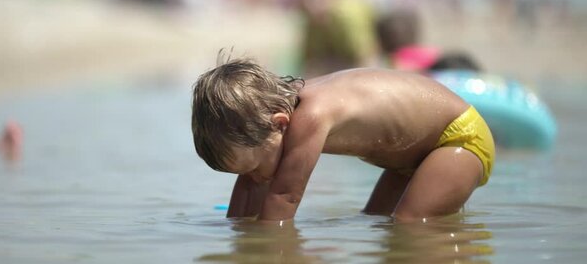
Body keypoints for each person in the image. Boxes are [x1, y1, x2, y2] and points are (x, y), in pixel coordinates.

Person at [191, 55, 495, 222]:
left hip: (457, 139)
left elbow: (284, 198)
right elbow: (253, 185)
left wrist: (263, 252)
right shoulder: (271, 126)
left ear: (280, 124)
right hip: (413, 156)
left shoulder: (312, 116)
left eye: (253, 167)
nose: (252, 177)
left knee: (410, 223)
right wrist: (236, 233)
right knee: (376, 220)